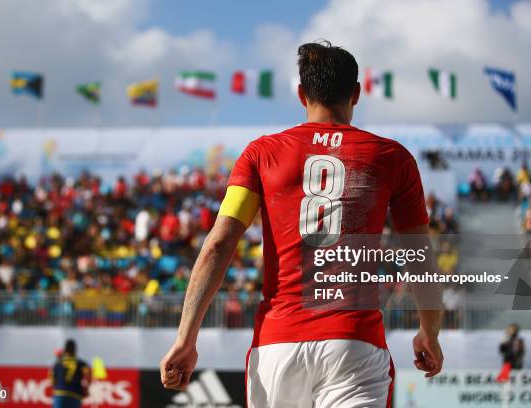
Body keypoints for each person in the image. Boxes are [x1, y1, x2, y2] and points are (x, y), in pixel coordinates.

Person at [160, 41, 443, 407]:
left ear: (301, 94)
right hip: (353, 342)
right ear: (356, 94)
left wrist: (186, 338)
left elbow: (218, 244)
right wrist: (429, 331)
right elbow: (420, 255)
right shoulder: (393, 158)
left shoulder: (260, 154)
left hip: (278, 345)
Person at [50, 339, 91, 408]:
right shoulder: (81, 364)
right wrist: (85, 390)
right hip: (74, 394)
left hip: (60, 394)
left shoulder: (58, 363)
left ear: (65, 350)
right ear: (75, 350)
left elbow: (52, 380)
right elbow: (88, 376)